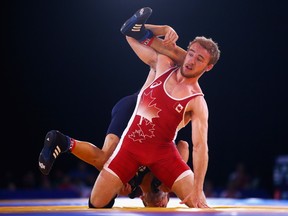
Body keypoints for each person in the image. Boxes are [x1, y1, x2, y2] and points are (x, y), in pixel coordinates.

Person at [38, 16, 189, 207]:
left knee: (105, 160)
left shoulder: (128, 186)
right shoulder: (165, 183)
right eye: (164, 204)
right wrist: (172, 177)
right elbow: (183, 144)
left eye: (156, 207)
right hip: (146, 108)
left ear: (142, 199)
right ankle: (141, 31)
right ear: (168, 199)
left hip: (129, 112)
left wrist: (119, 182)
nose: (161, 205)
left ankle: (63, 141)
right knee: (169, 69)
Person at [86, 7, 220, 208]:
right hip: (130, 147)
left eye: (199, 59)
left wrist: (198, 189)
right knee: (96, 203)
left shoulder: (197, 100)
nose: (191, 60)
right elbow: (130, 32)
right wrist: (163, 28)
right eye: (191, 53)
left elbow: (201, 147)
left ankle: (159, 190)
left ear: (208, 67)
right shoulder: (163, 63)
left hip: (163, 153)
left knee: (198, 204)